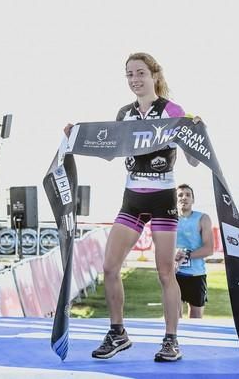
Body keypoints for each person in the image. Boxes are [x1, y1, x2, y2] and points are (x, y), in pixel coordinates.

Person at [66, 53, 198, 362]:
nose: (135, 79)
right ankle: (118, 333)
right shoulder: (124, 113)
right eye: (129, 75)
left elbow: (193, 159)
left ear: (154, 75)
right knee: (110, 267)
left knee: (166, 272)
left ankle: (171, 340)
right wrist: (76, 138)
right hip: (132, 199)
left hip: (163, 199)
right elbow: (109, 151)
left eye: (140, 73)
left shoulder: (172, 110)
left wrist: (196, 130)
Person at [173, 184, 213, 319]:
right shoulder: (169, 219)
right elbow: (158, 246)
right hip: (174, 274)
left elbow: (209, 249)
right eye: (180, 195)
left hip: (196, 275)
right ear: (175, 199)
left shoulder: (203, 218)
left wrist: (187, 255)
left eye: (188, 195)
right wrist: (173, 254)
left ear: (193, 200)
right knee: (174, 316)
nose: (184, 197)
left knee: (196, 318)